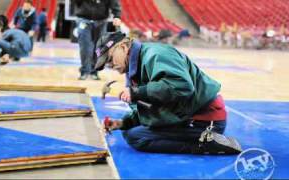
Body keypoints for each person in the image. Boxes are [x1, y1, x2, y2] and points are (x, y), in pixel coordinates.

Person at [95, 32, 242, 154]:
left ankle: (204, 145)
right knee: (128, 130)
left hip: (206, 119)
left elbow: (182, 87)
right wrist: (122, 122)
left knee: (136, 137)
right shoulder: (134, 68)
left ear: (123, 47)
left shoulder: (156, 55)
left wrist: (137, 92)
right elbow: (150, 107)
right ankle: (203, 139)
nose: (109, 65)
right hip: (187, 114)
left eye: (109, 58)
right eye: (105, 63)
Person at [72, 0, 122, 80]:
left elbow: (114, 3)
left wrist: (117, 16)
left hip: (101, 21)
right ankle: (84, 71)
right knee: (85, 47)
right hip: (83, 19)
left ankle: (94, 71)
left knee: (99, 47)